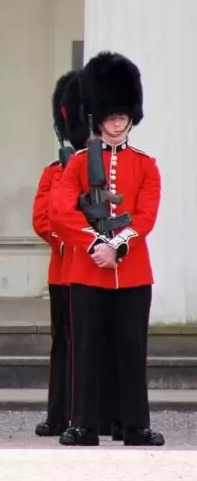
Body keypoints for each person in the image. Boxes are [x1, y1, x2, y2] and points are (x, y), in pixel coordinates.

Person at [50, 51, 163, 447]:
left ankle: (134, 424)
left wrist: (116, 244)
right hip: (88, 268)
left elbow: (145, 218)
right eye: (111, 117)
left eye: (122, 117)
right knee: (87, 348)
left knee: (132, 350)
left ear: (131, 118)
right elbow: (61, 212)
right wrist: (95, 243)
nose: (116, 124)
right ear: (97, 118)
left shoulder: (146, 165)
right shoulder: (78, 163)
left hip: (131, 271)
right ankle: (83, 422)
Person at [31, 71, 80, 437]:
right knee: (63, 344)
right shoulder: (55, 172)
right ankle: (60, 413)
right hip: (65, 270)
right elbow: (43, 218)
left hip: (103, 269)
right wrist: (73, 241)